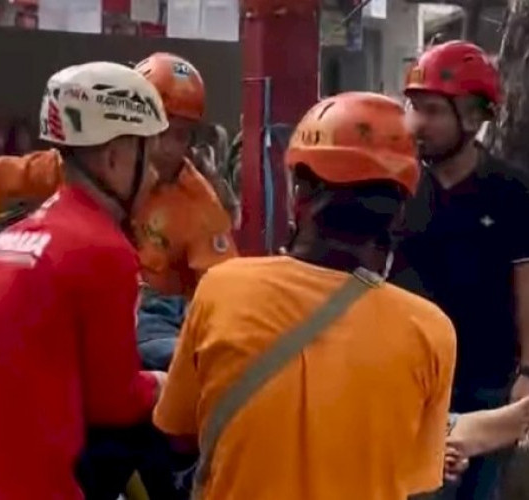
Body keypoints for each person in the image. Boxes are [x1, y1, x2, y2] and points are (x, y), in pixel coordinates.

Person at [153, 92, 457, 500]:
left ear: (300, 194)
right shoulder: (430, 331)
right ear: (399, 213)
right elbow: (418, 481)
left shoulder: (223, 289)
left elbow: (179, 436)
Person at [0, 62, 169, 500]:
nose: (152, 178)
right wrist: (168, 383)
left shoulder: (9, 241)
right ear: (114, 158)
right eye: (147, 159)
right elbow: (115, 401)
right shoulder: (103, 250)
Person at [0, 52, 237, 299]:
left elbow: (222, 291)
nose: (164, 149)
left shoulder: (202, 210)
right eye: (158, 133)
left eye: (180, 136)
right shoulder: (72, 170)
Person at [392, 40, 529, 499]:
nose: (417, 124)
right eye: (414, 108)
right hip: (416, 386)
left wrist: (527, 372)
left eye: (432, 111)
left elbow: (526, 285)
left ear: (472, 118)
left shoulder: (511, 191)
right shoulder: (397, 189)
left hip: (489, 381)